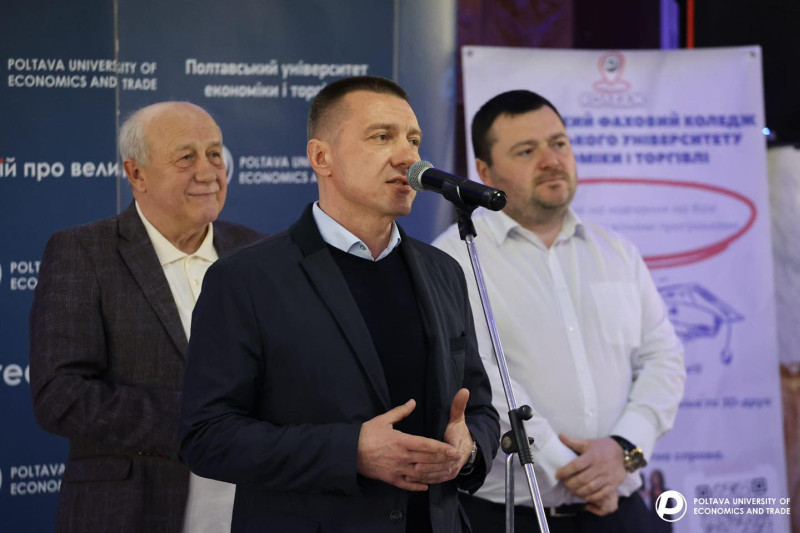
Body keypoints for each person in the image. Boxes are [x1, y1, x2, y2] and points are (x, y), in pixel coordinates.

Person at [179, 76, 500, 532]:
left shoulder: (444, 271)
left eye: (414, 140)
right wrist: (350, 453)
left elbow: (480, 409)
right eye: (382, 137)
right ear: (321, 157)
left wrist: (468, 450)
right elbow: (206, 437)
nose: (408, 157)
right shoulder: (244, 279)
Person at [433, 90, 686, 531]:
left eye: (559, 143)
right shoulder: (455, 257)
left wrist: (624, 448)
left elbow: (663, 358)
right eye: (526, 151)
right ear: (485, 171)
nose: (551, 160)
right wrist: (566, 466)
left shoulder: (616, 252)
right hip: (511, 513)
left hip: (620, 504)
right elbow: (478, 375)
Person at [29, 101, 263, 533]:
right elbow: (59, 395)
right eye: (186, 157)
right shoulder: (83, 252)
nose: (209, 172)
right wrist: (199, 422)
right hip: (132, 511)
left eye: (215, 153)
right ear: (136, 174)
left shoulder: (258, 252)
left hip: (253, 508)